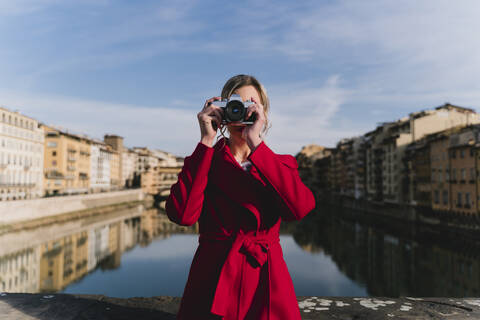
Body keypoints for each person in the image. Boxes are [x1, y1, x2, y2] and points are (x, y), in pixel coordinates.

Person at [166, 74, 316, 320]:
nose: (241, 111)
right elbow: (182, 215)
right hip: (212, 278)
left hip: (266, 279)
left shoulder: (280, 164)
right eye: (234, 104)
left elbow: (299, 209)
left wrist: (255, 142)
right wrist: (206, 139)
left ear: (262, 112)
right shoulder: (205, 161)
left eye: (250, 104)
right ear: (220, 110)